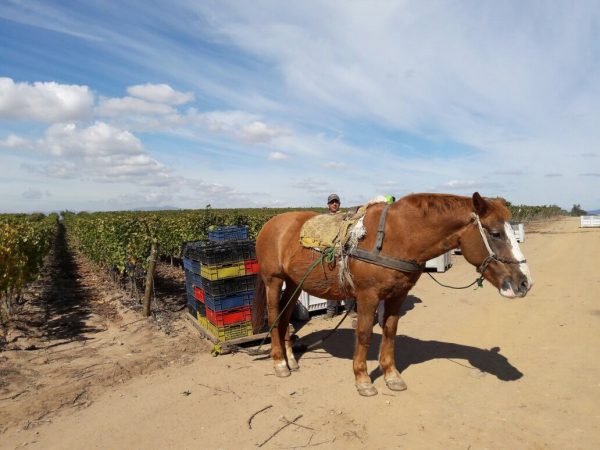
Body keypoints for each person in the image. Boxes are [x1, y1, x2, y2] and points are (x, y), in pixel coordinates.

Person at [324, 193, 357, 319]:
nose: (334, 204)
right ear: (328, 205)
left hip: (344, 253)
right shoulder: (325, 218)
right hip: (330, 253)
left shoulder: (344, 217)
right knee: (331, 282)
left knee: (347, 281)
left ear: (339, 204)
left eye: (336, 202)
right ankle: (331, 310)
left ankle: (350, 309)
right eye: (332, 202)